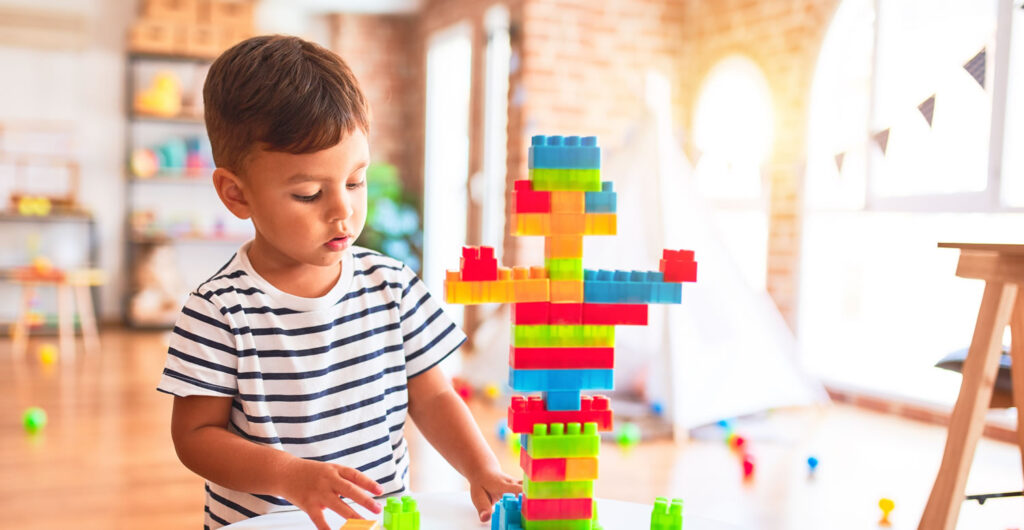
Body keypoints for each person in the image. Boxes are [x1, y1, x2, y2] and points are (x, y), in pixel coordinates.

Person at [157, 35, 520, 530]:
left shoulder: (391, 285)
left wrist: (482, 468)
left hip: (378, 520)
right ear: (236, 194)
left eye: (355, 181)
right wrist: (288, 475)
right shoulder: (219, 309)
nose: (343, 211)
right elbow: (196, 436)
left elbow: (433, 396)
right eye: (308, 193)